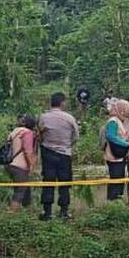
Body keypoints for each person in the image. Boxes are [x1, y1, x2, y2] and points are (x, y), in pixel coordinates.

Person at [37, 92, 79, 220]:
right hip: (65, 154)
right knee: (64, 183)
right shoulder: (69, 118)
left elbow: (39, 135)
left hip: (48, 153)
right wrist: (67, 145)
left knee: (48, 181)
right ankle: (64, 211)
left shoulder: (43, 117)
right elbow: (76, 136)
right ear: (62, 103)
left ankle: (47, 212)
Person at [102, 98, 129, 201]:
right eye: (128, 110)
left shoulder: (122, 121)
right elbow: (111, 136)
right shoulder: (113, 121)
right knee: (115, 181)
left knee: (120, 181)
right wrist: (126, 144)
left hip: (120, 157)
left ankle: (118, 202)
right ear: (122, 109)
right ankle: (112, 203)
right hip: (113, 157)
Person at [6, 114, 36, 211]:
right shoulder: (27, 133)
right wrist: (31, 165)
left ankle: (24, 212)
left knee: (23, 190)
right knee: (20, 191)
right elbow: (28, 151)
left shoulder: (15, 131)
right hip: (20, 166)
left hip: (11, 164)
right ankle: (12, 214)